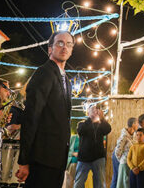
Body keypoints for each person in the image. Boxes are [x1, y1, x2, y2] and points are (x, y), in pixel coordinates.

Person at [16, 30, 74, 188]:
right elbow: (31, 116)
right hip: (41, 158)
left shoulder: (66, 81)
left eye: (69, 44)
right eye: (60, 43)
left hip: (58, 158)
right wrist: (24, 160)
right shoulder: (44, 73)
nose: (64, 47)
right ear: (50, 49)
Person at [75, 105, 112, 188]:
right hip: (84, 158)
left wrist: (102, 118)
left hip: (98, 158)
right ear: (88, 113)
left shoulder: (100, 125)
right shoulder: (82, 124)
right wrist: (90, 119)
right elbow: (81, 131)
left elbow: (108, 129)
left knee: (100, 184)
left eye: (96, 109)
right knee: (79, 183)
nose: (95, 111)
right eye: (92, 109)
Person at [113, 117, 138, 188]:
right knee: (124, 183)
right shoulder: (124, 136)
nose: (138, 125)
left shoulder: (135, 135)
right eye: (137, 123)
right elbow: (118, 151)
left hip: (132, 163)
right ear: (133, 124)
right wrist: (122, 160)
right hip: (124, 163)